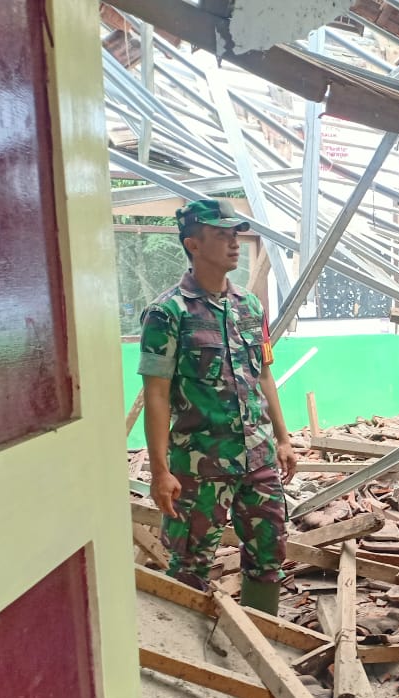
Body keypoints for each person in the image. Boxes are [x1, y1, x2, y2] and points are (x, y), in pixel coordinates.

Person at [137, 198, 297, 615]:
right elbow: (156, 394)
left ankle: (264, 644)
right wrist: (160, 471)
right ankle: (197, 663)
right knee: (190, 565)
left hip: (258, 459)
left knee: (268, 557)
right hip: (201, 467)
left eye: (235, 235)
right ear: (193, 243)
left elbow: (263, 375)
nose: (234, 244)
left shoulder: (250, 306)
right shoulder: (167, 313)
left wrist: (283, 438)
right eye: (221, 236)